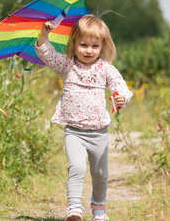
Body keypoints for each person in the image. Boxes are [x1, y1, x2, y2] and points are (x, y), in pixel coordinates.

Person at [35, 14, 133, 221]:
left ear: (103, 46)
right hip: (74, 131)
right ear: (74, 43)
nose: (89, 50)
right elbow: (47, 53)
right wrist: (44, 33)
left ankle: (98, 208)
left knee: (100, 174)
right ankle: (74, 209)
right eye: (83, 45)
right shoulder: (66, 65)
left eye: (95, 46)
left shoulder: (105, 68)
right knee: (77, 167)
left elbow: (120, 86)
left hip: (98, 133)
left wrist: (122, 97)